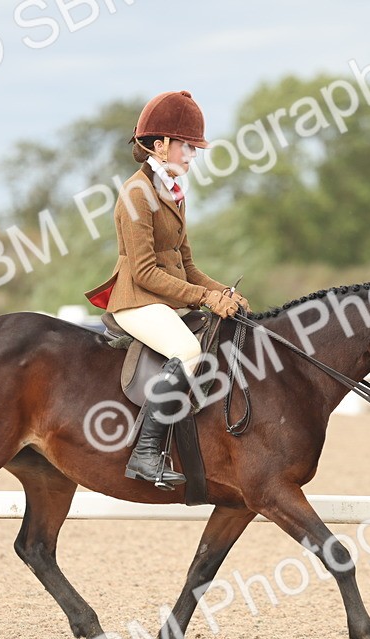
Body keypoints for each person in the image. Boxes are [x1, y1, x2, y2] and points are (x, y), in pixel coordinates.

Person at [84, 90, 248, 489]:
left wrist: (222, 292)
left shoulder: (172, 192)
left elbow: (187, 266)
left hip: (164, 301)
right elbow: (143, 272)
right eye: (187, 147)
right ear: (159, 146)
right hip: (137, 301)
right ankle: (144, 453)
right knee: (188, 350)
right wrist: (206, 299)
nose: (193, 155)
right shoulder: (136, 194)